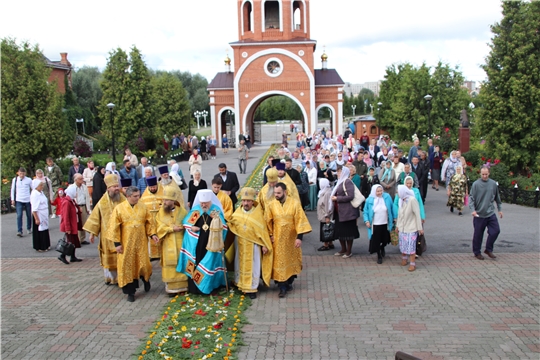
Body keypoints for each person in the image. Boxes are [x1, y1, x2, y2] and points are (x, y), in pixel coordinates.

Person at [107, 186, 158, 302]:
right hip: (126, 243)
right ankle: (130, 292)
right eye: (135, 196)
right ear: (128, 196)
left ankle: (145, 279)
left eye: (138, 195)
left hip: (141, 242)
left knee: (143, 263)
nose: (138, 198)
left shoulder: (143, 207)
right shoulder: (119, 209)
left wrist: (152, 234)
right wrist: (117, 243)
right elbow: (113, 227)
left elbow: (149, 222)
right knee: (127, 265)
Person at [177, 189, 228, 295]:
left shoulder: (215, 210)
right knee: (197, 261)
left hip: (211, 243)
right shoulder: (196, 210)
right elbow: (186, 223)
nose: (204, 205)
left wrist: (217, 224)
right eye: (202, 203)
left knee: (211, 263)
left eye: (206, 203)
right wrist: (192, 227)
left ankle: (210, 286)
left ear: (210, 201)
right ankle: (195, 288)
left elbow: (224, 226)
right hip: (198, 243)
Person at [266, 182, 312, 298]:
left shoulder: (295, 204)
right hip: (278, 239)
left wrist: (299, 238)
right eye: (275, 193)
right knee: (280, 262)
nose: (276, 195)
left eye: (278, 193)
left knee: (291, 261)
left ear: (285, 192)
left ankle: (289, 282)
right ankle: (282, 287)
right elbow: (268, 221)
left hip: (291, 239)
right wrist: (270, 234)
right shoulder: (271, 205)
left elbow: (300, 221)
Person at [229, 187, 273, 299]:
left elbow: (263, 231)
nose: (246, 203)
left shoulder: (258, 214)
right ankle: (240, 283)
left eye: (248, 201)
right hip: (240, 244)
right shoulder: (237, 212)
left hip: (254, 245)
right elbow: (232, 224)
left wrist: (264, 244)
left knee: (254, 265)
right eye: (244, 201)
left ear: (252, 201)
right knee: (239, 263)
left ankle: (252, 287)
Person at [83, 174, 126, 285]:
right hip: (107, 236)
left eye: (117, 186)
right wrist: (92, 233)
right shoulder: (102, 202)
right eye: (114, 186)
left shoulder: (123, 199)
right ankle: (111, 278)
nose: (117, 188)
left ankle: (123, 276)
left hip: (122, 235)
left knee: (122, 257)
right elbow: (95, 217)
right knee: (109, 258)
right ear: (108, 188)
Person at [155, 186, 189, 296]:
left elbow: (188, 224)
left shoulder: (182, 211)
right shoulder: (161, 212)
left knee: (181, 262)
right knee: (170, 265)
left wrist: (183, 227)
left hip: (180, 242)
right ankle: (171, 289)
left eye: (167, 200)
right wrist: (170, 229)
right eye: (164, 199)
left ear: (173, 200)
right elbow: (158, 227)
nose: (164, 202)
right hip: (167, 242)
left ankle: (183, 286)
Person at [469, 166, 503, 260]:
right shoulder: (476, 184)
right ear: (480, 174)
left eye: (486, 174)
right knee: (478, 235)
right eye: (483, 174)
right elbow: (471, 198)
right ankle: (477, 252)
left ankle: (488, 249)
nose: (484, 176)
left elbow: (497, 197)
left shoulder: (493, 184)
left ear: (489, 173)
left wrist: (499, 209)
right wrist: (473, 210)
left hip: (490, 212)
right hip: (479, 214)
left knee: (495, 231)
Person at [330, 166, 360, 258]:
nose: (338, 174)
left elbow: (350, 196)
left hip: (347, 212)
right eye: (337, 172)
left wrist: (337, 198)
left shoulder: (347, 182)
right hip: (339, 211)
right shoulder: (339, 182)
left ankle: (349, 251)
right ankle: (343, 249)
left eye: (339, 172)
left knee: (348, 232)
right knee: (340, 231)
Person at [363, 184, 395, 264]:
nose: (380, 193)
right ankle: (379, 255)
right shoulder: (369, 200)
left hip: (385, 222)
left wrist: (395, 217)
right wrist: (366, 221)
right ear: (374, 191)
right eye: (377, 191)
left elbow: (392, 207)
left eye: (381, 191)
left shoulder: (387, 197)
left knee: (386, 239)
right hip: (375, 223)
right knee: (376, 240)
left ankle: (382, 247)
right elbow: (365, 211)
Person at [395, 185, 424, 272]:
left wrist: (420, 228)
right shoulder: (401, 201)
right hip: (403, 228)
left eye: (398, 192)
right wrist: (398, 226)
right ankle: (404, 259)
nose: (397, 194)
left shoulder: (412, 200)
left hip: (411, 228)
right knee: (403, 245)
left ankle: (412, 264)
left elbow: (417, 214)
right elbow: (400, 215)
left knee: (411, 246)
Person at [59, 185, 83, 264]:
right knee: (69, 242)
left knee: (73, 242)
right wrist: (67, 228)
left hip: (74, 223)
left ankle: (73, 256)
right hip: (70, 225)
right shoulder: (67, 202)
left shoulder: (72, 200)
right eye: (75, 191)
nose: (76, 193)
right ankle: (62, 255)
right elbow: (65, 216)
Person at [140, 176, 162, 260]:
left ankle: (161, 253)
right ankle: (152, 255)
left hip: (160, 219)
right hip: (150, 220)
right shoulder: (144, 195)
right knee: (151, 235)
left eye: (154, 187)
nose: (152, 188)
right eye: (151, 187)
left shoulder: (162, 192)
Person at [30, 179, 51, 252]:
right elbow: (34, 208)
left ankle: (46, 244)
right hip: (39, 214)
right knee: (40, 230)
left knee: (45, 229)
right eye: (41, 185)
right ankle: (40, 246)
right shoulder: (35, 194)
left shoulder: (41, 193)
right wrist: (36, 218)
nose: (42, 187)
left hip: (44, 213)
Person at [11, 168, 33, 237]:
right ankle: (19, 230)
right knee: (19, 215)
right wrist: (12, 199)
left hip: (27, 199)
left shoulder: (28, 180)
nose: (22, 175)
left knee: (29, 215)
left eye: (23, 174)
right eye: (20, 174)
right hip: (19, 199)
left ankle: (29, 227)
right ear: (18, 173)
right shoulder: (15, 180)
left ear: (25, 173)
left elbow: (33, 188)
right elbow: (13, 189)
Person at [72, 174, 92, 245]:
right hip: (76, 206)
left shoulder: (84, 187)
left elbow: (87, 197)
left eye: (82, 178)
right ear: (76, 180)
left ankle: (82, 238)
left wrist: (88, 208)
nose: (82, 180)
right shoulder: (72, 187)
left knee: (83, 223)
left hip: (83, 206)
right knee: (76, 223)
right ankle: (77, 239)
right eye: (80, 179)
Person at [316, 178, 335, 251]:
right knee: (328, 228)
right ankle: (330, 243)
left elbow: (327, 205)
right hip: (323, 215)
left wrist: (327, 216)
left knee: (325, 230)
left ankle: (326, 244)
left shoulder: (327, 193)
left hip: (325, 215)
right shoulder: (323, 191)